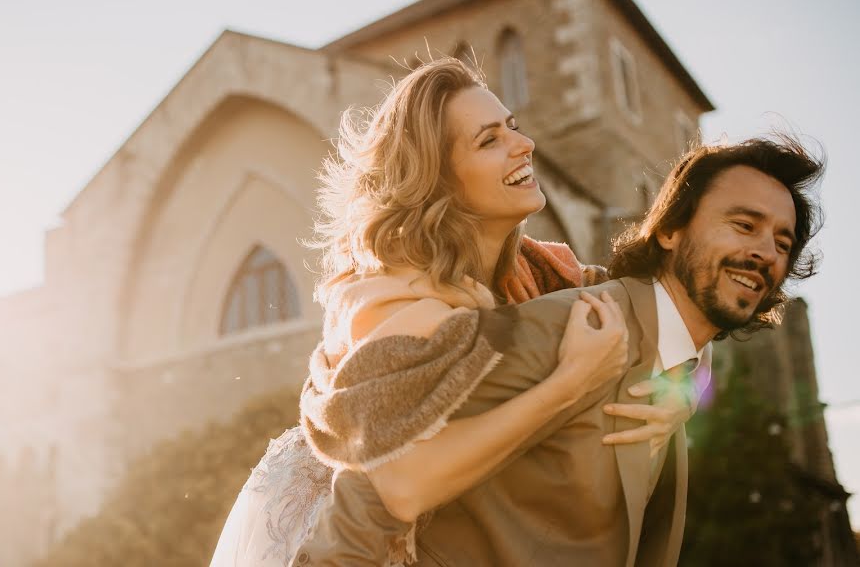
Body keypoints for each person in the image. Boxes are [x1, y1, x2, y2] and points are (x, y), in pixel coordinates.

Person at [209, 58, 700, 566]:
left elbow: (658, 312)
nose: (524, 144)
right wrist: (569, 384)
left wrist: (677, 393)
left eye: (513, 127)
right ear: (437, 179)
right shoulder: (390, 300)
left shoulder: (541, 270)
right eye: (488, 141)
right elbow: (400, 485)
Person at [292, 134, 824, 566]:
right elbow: (375, 471)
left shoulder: (677, 371)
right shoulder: (572, 329)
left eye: (782, 242)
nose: (763, 252)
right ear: (670, 230)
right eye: (743, 224)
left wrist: (693, 383)